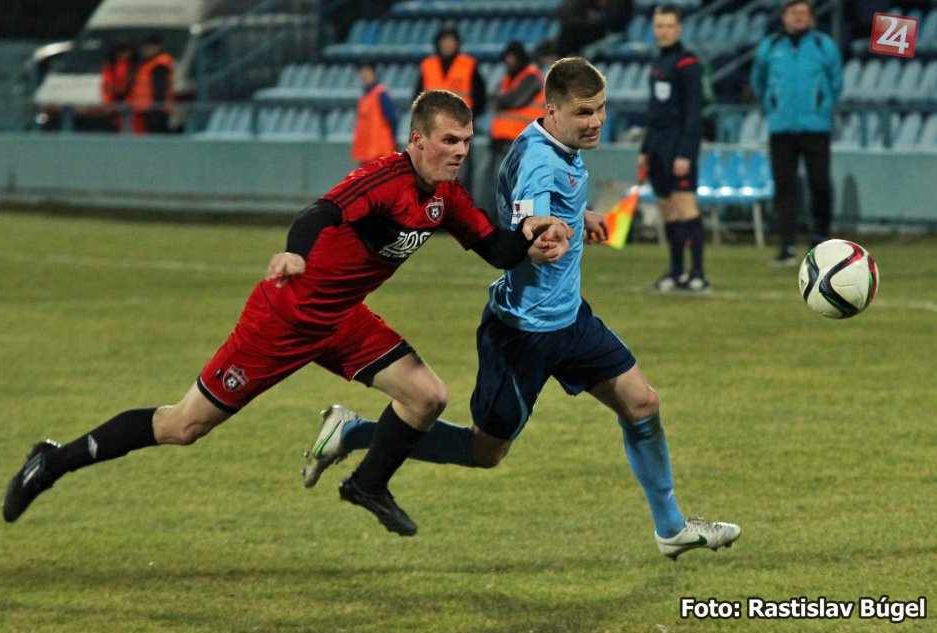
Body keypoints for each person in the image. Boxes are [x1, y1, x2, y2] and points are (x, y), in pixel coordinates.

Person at [1, 90, 573, 534]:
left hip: (342, 320)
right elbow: (318, 214)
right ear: (418, 140)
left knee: (426, 396)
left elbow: (495, 250)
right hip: (284, 320)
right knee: (182, 427)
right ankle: (52, 462)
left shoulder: (446, 198)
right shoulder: (384, 180)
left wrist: (535, 232)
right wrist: (296, 253)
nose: (461, 151)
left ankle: (368, 484)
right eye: (449, 140)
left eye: (467, 141)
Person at [303, 58, 741, 560]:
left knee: (642, 404)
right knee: (485, 451)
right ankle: (353, 432)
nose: (596, 121)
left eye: (601, 109)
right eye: (583, 112)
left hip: (569, 320)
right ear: (552, 111)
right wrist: (544, 236)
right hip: (522, 333)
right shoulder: (540, 161)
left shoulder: (550, 143)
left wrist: (577, 215)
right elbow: (532, 217)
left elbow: (540, 204)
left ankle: (671, 528)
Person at [751, 0, 842, 266]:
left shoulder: (824, 45)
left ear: (811, 18)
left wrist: (822, 107)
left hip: (816, 127)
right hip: (781, 128)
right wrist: (773, 105)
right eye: (793, 13)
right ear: (784, 17)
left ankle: (821, 239)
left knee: (820, 183)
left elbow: (836, 82)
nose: (798, 17)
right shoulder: (770, 46)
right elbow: (758, 80)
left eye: (802, 13)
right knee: (784, 187)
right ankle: (786, 247)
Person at [638, 5, 709, 293]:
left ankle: (699, 274)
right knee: (668, 210)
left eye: (668, 26)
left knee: (685, 206)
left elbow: (694, 113)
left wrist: (685, 153)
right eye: (659, 26)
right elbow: (654, 111)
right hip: (657, 146)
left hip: (678, 145)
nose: (663, 31)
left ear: (679, 28)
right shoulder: (658, 62)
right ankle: (677, 271)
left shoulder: (688, 63)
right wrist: (645, 149)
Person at [415, 25, 486, 192]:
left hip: (460, 130)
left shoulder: (468, 65)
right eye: (444, 41)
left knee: (462, 172)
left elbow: (480, 97)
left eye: (450, 41)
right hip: (433, 131)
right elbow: (418, 98)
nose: (447, 45)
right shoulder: (427, 66)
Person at [485, 40, 545, 208]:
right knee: (498, 188)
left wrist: (500, 100)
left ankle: (520, 222)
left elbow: (515, 100)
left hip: (522, 143)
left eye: (513, 57)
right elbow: (493, 99)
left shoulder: (532, 76)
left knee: (519, 188)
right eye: (507, 57)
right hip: (501, 142)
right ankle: (500, 222)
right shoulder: (507, 79)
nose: (509, 61)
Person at [352, 61, 399, 166]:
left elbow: (393, 119)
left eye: (367, 73)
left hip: (380, 152)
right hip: (367, 153)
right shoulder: (364, 96)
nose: (364, 77)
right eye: (362, 74)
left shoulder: (381, 94)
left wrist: (393, 143)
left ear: (374, 74)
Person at [127, 33, 174, 134]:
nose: (146, 50)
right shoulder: (150, 63)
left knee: (156, 138)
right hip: (147, 110)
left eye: (149, 47)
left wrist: (157, 111)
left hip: (155, 112)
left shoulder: (159, 65)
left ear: (157, 47)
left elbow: (160, 90)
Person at [100, 38, 136, 132]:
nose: (123, 55)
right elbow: (108, 87)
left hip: (131, 109)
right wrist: (109, 104)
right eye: (121, 51)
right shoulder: (111, 67)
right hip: (117, 107)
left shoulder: (135, 66)